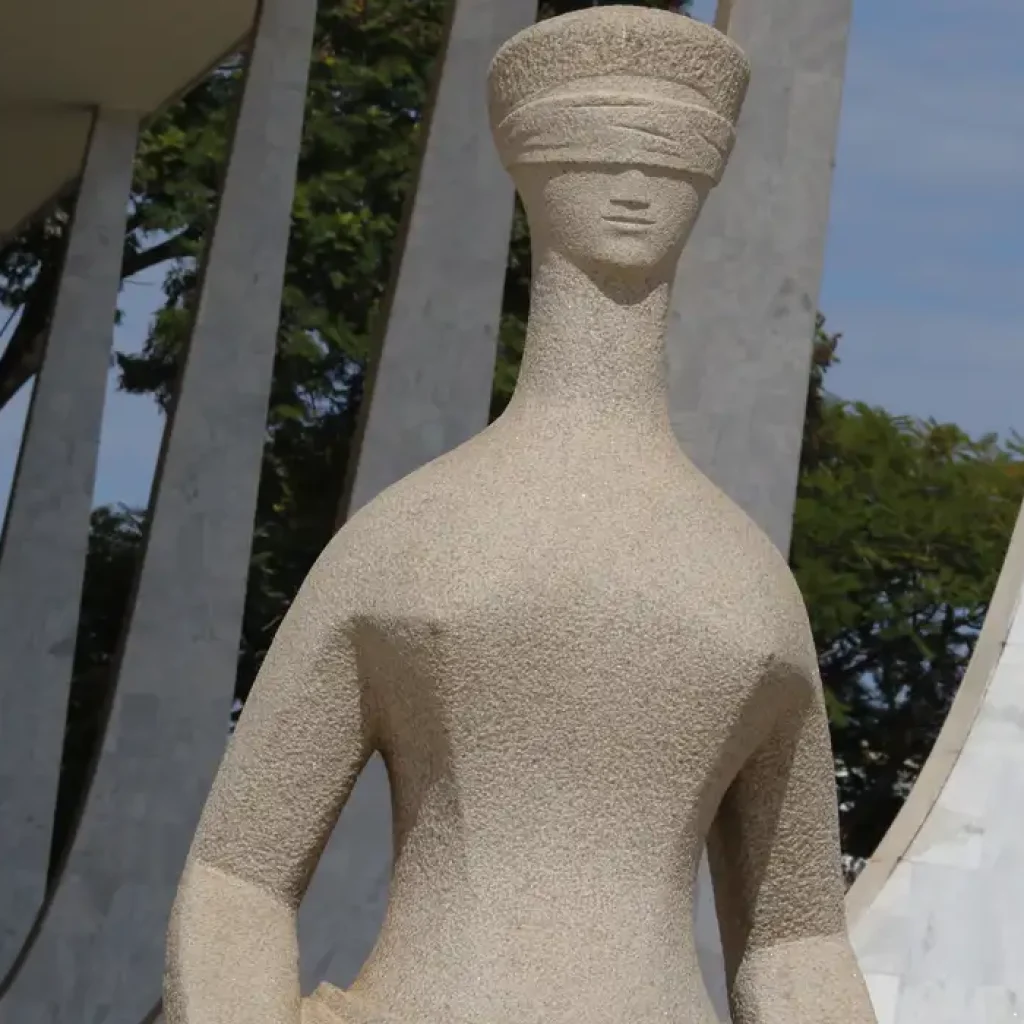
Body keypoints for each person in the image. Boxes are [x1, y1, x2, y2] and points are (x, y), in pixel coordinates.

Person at [166, 8, 877, 1024]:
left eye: (669, 154)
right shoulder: (412, 541)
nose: (635, 185)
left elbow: (796, 936)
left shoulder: (747, 584)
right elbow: (237, 872)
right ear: (530, 164)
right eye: (600, 152)